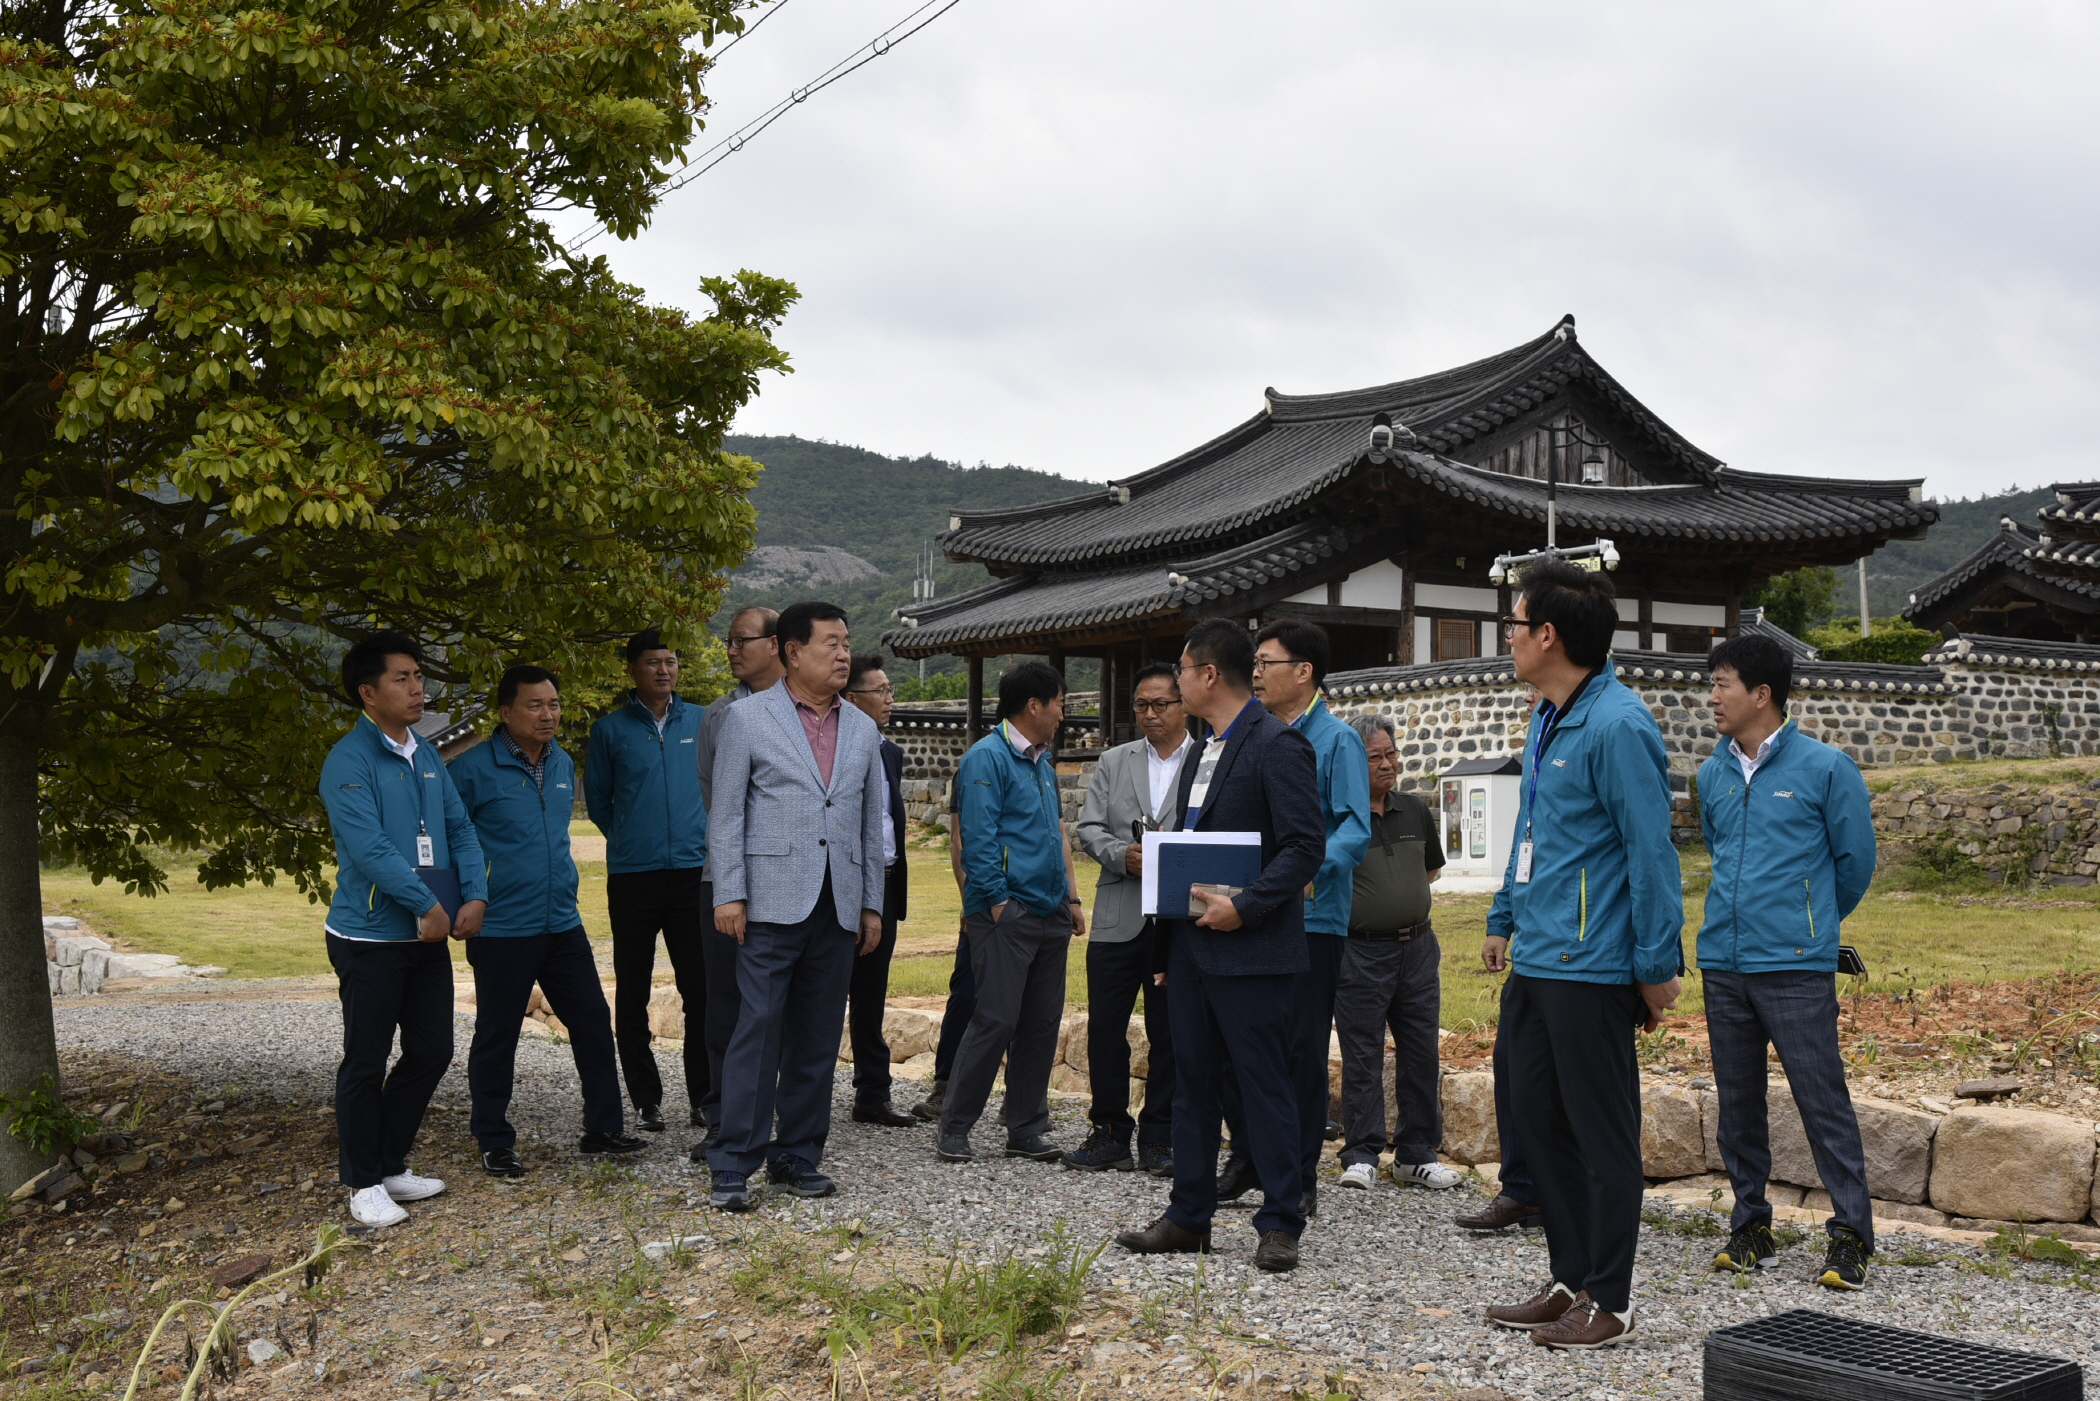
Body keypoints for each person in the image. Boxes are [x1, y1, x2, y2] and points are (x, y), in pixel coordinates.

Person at [1482, 560, 1682, 1350]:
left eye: (1514, 622)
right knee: (1534, 1118)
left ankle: (1611, 1297)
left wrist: (1655, 964)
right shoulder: (1547, 715)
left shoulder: (1619, 724)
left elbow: (1651, 851)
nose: (1507, 636)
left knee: (1601, 1135)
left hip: (1593, 965)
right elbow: (1531, 830)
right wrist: (1503, 915)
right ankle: (1570, 1276)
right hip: (1538, 957)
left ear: (1549, 635)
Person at [1115, 619, 1325, 1273]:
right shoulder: (1203, 749)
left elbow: (1304, 847)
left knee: (1264, 1086)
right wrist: (1164, 950)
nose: (1176, 682)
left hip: (1252, 949)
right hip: (1191, 950)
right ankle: (1189, 1215)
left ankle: (1281, 1220)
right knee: (1192, 1085)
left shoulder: (1278, 744)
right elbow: (1187, 849)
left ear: (1208, 674)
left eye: (1181, 670)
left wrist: (1248, 905)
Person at [1698, 633, 1879, 1291]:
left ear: (1761, 694)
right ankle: (1751, 1227)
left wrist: (1811, 923)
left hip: (1797, 965)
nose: (1712, 697)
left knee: (1822, 1100)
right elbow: (1719, 849)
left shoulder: (1827, 768)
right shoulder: (1711, 774)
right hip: (1724, 962)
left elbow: (1855, 863)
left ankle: (1852, 1236)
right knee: (1737, 1106)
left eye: (1722, 684)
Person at [705, 601, 887, 1210]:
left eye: (846, 643)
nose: (843, 654)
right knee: (756, 1031)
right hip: (767, 903)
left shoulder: (862, 728)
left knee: (817, 1037)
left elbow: (868, 825)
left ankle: (798, 1156)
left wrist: (870, 905)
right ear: (791, 650)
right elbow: (726, 815)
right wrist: (729, 893)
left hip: (838, 905)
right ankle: (734, 1162)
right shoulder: (748, 718)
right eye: (831, 643)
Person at [318, 632, 487, 1228]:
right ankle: (362, 1182)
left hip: (426, 935)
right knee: (365, 1061)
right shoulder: (349, 760)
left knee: (433, 1051)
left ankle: (389, 1164)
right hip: (369, 937)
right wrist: (425, 903)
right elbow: (369, 849)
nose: (418, 688)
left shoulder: (428, 754)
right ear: (368, 693)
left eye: (418, 676)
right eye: (402, 678)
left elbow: (459, 828)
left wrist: (475, 893)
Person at [449, 666, 644, 1176]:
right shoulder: (469, 770)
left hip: (561, 921)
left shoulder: (560, 762)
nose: (547, 714)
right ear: (505, 711)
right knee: (498, 1036)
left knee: (593, 1022)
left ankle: (602, 1128)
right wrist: (468, 898)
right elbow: (450, 840)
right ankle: (493, 1139)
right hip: (501, 926)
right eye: (534, 705)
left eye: (553, 704)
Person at [1214, 622, 1368, 1218]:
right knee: (1242, 1044)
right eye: (1252, 663)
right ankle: (1249, 1156)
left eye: (1266, 663)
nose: (1254, 674)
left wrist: (1306, 870)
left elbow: (1354, 828)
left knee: (1300, 1050)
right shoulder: (1247, 734)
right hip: (1250, 912)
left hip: (1311, 917)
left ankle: (1299, 1172)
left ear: (1304, 672)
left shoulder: (1337, 740)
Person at [938, 661, 1088, 1163]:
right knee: (996, 1020)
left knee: (1041, 1024)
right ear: (1034, 705)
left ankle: (1025, 1127)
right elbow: (977, 842)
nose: (1063, 715)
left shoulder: (1042, 761)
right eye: (1060, 704)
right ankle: (955, 1126)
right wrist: (1000, 905)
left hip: (1050, 910)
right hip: (1008, 913)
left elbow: (1056, 834)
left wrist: (1071, 899)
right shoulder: (987, 758)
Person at [583, 628, 709, 1135]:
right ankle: (645, 1098)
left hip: (695, 874)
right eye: (653, 662)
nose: (663, 670)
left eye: (670, 661)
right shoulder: (609, 730)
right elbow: (599, 800)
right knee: (632, 989)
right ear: (633, 670)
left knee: (701, 989)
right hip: (633, 876)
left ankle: (705, 1096)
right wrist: (630, 837)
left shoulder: (703, 720)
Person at [1065, 661, 1187, 1175]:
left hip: (1180, 917)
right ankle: (1110, 1130)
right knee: (1105, 1029)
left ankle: (1161, 1137)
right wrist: (1122, 854)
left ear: (1184, 705)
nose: (1150, 714)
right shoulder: (1115, 760)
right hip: (1119, 913)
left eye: (1161, 704)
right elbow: (1089, 828)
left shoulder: (1208, 761)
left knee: (1171, 1032)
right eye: (1141, 705)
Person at [1333, 713, 1461, 1193]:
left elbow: (1430, 872)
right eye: (1375, 757)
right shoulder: (1339, 817)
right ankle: (1362, 1153)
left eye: (1392, 753)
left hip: (1419, 949)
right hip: (1360, 952)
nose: (1388, 763)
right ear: (1352, 762)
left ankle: (1416, 1154)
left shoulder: (1414, 809)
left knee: (1421, 1052)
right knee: (1362, 1053)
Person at [694, 606, 782, 1147]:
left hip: (792, 882)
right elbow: (718, 804)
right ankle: (723, 1118)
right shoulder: (718, 716)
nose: (730, 650)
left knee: (785, 1005)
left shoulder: (814, 712)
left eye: (740, 640)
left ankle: (784, 1120)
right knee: (725, 1002)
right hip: (727, 878)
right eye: (728, 640)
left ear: (776, 645)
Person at [842, 652, 916, 1126]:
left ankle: (872, 1093)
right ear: (852, 699)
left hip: (884, 885)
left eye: (890, 690)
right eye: (881, 691)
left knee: (871, 995)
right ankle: (800, 1096)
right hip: (843, 885)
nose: (890, 698)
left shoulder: (890, 751)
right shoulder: (838, 751)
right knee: (825, 992)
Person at [910, 783, 979, 1123]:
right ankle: (945, 1087)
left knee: (1024, 1001)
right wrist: (969, 899)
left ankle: (1021, 1099)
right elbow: (958, 839)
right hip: (982, 902)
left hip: (1031, 899)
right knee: (965, 995)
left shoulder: (1041, 767)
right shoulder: (974, 768)